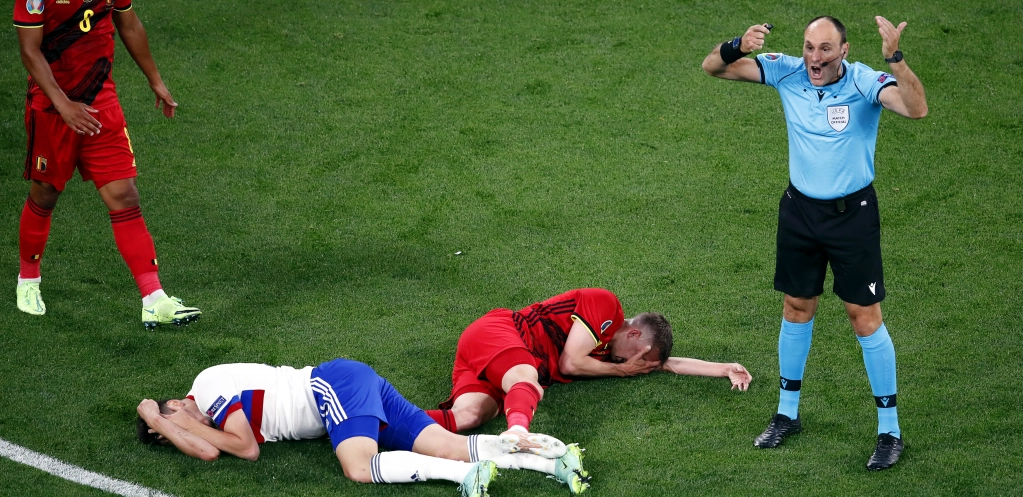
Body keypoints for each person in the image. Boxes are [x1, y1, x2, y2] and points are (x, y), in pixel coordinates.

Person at [701, 16, 928, 470]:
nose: (814, 58)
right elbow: (714, 67)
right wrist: (738, 45)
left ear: (844, 50)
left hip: (852, 218)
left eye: (825, 49)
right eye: (809, 47)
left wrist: (896, 59)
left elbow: (916, 108)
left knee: (863, 316)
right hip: (800, 213)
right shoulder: (787, 70)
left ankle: (890, 431)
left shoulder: (864, 81)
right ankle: (787, 414)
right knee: (796, 306)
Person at [137, 358, 590, 497]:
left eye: (173, 420)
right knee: (450, 445)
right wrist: (164, 423)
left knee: (358, 467)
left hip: (332, 387)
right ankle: (551, 462)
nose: (183, 431)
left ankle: (465, 478)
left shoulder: (206, 387)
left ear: (178, 402)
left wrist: (162, 418)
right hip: (348, 387)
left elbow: (245, 448)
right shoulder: (202, 421)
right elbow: (210, 450)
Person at [13, 0, 200, 329]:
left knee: (124, 195)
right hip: (52, 108)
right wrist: (64, 104)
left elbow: (129, 24)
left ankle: (154, 299)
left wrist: (155, 79)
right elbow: (30, 49)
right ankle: (28, 281)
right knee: (46, 192)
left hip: (101, 102)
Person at [425, 288, 752, 444]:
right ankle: (518, 434)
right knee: (528, 381)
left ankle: (393, 422)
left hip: (496, 362)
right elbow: (569, 363)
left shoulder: (611, 353)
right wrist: (619, 370)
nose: (630, 364)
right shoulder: (605, 305)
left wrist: (725, 368)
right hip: (501, 334)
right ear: (634, 334)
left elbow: (670, 364)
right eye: (636, 357)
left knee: (468, 417)